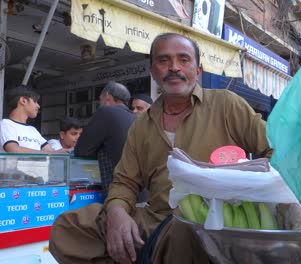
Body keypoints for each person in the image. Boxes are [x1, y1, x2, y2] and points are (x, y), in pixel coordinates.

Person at [49, 33, 272, 264]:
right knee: (68, 226)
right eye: (163, 60)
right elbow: (125, 181)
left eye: (184, 59)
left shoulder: (226, 104)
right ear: (153, 73)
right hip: (154, 220)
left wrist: (248, 189)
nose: (174, 67)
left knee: (184, 230)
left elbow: (274, 151)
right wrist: (117, 212)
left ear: (198, 71)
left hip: (213, 222)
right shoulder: (142, 125)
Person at [73, 81, 136, 194]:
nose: (100, 102)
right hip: (140, 192)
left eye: (100, 98)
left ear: (107, 96)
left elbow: (82, 150)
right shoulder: (136, 118)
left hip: (118, 193)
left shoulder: (106, 111)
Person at [0, 85, 68, 153]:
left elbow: (51, 152)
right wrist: (49, 153)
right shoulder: (5, 124)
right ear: (23, 101)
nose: (38, 106)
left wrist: (68, 151)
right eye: (35, 101)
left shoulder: (33, 130)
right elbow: (14, 150)